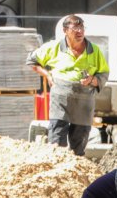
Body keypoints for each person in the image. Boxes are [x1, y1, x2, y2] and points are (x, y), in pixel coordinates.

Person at [27, 15, 109, 157]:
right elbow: (32, 61)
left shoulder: (94, 51)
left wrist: (92, 80)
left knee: (79, 142)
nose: (79, 31)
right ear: (65, 30)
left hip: (83, 102)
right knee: (56, 140)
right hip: (61, 99)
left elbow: (104, 73)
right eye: (75, 28)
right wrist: (47, 75)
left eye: (81, 27)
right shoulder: (54, 47)